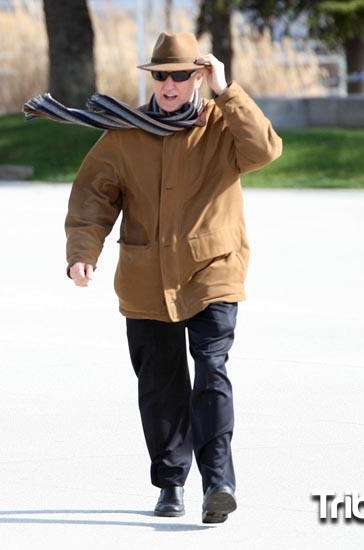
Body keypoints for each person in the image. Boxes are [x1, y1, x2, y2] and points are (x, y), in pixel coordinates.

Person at [25, 32, 282, 523]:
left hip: (213, 270)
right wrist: (83, 252)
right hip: (145, 279)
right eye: (161, 76)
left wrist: (228, 92)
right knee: (160, 385)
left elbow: (266, 150)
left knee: (211, 371)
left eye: (180, 75)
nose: (169, 84)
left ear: (198, 77)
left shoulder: (222, 125)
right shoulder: (125, 133)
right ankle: (170, 483)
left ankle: (219, 482)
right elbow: (92, 197)